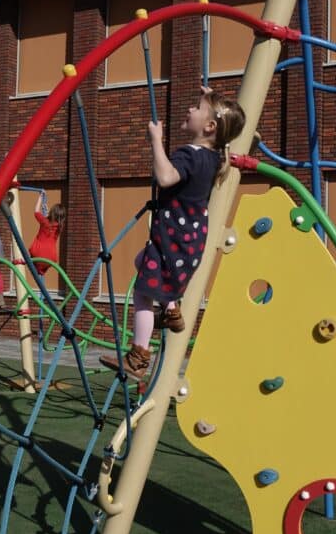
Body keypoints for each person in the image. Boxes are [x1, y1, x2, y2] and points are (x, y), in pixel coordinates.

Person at [100, 87, 245, 380]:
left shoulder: (189, 155)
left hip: (170, 242)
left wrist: (156, 141)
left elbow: (166, 177)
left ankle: (138, 357)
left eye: (196, 106)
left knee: (142, 293)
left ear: (209, 126)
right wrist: (211, 95)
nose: (190, 109)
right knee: (142, 262)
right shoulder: (214, 158)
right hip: (188, 244)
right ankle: (171, 308)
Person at [28, 192, 66, 276]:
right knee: (41, 269)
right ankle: (41, 271)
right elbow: (52, 222)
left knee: (32, 258)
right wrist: (47, 212)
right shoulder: (60, 227)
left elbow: (36, 211)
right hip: (51, 257)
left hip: (37, 252)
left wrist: (40, 198)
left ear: (52, 213)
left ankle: (37, 270)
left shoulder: (44, 222)